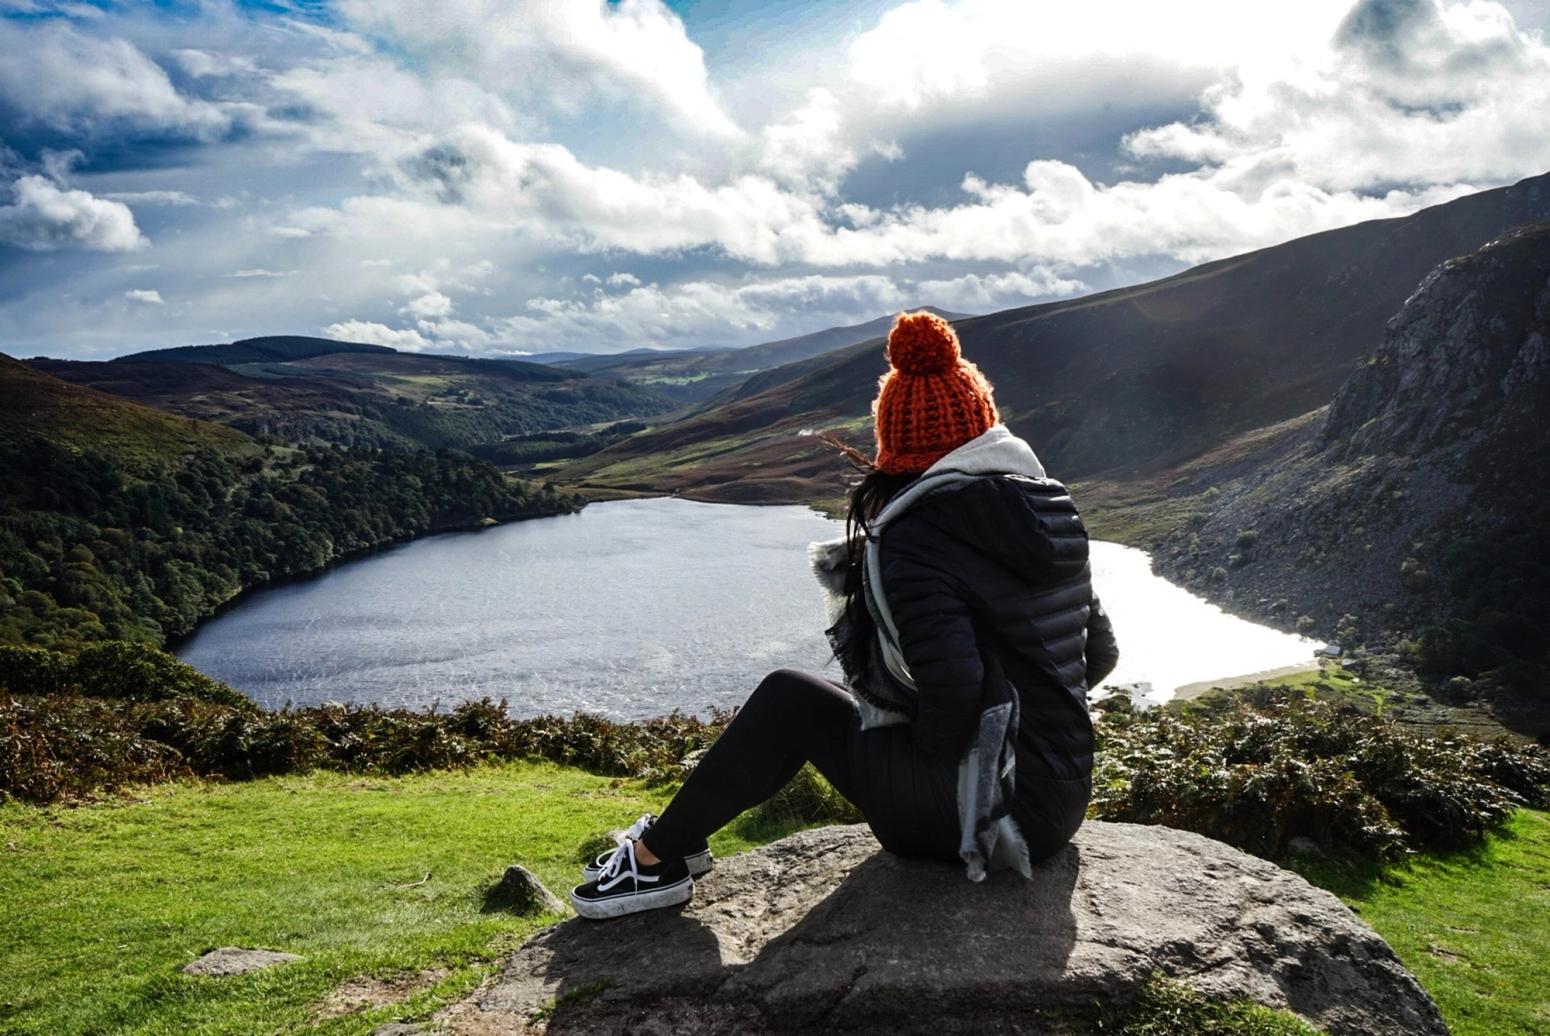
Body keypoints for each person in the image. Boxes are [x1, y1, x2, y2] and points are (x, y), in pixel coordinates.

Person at [569, 310, 1119, 919]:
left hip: (981, 817)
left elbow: (957, 694)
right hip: (1061, 803)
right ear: (984, 424)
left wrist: (927, 747)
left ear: (897, 442)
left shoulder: (917, 534)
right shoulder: (1051, 509)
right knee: (815, 702)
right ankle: (680, 839)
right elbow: (1098, 656)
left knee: (790, 699)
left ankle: (654, 861)